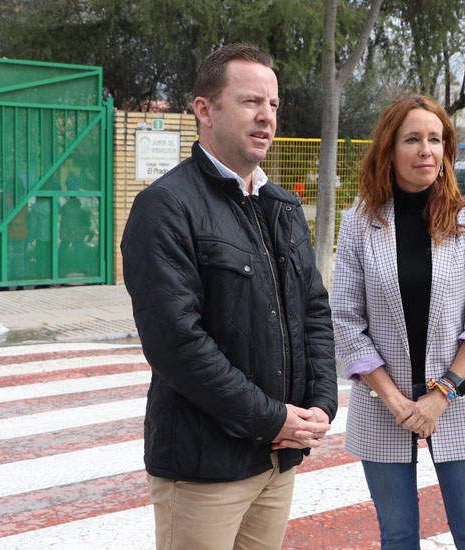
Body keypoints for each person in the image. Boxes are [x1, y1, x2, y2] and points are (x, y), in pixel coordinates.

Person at [121, 43, 338, 549]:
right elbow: (177, 344)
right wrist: (273, 418)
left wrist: (320, 404)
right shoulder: (166, 207)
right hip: (204, 468)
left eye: (274, 105)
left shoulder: (282, 207)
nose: (267, 117)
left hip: (277, 460)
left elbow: (314, 313)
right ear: (204, 109)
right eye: (250, 102)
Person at [332, 95, 465, 550]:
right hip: (382, 405)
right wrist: (394, 398)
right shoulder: (359, 222)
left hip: (457, 401)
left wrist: (440, 395)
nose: (426, 149)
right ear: (389, 150)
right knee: (399, 537)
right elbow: (346, 319)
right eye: (413, 139)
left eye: (436, 139)